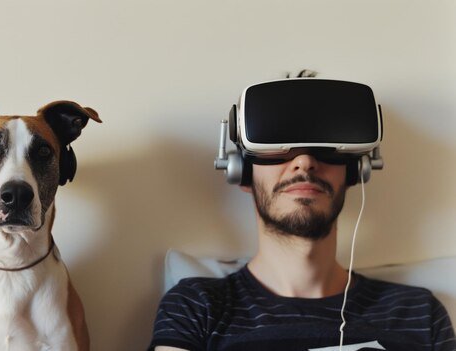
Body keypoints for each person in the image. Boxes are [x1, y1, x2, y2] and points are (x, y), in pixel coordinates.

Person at [148, 75, 456, 350]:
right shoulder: (197, 305)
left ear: (355, 172)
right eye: (281, 149)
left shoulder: (417, 311)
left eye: (323, 148)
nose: (305, 162)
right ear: (241, 173)